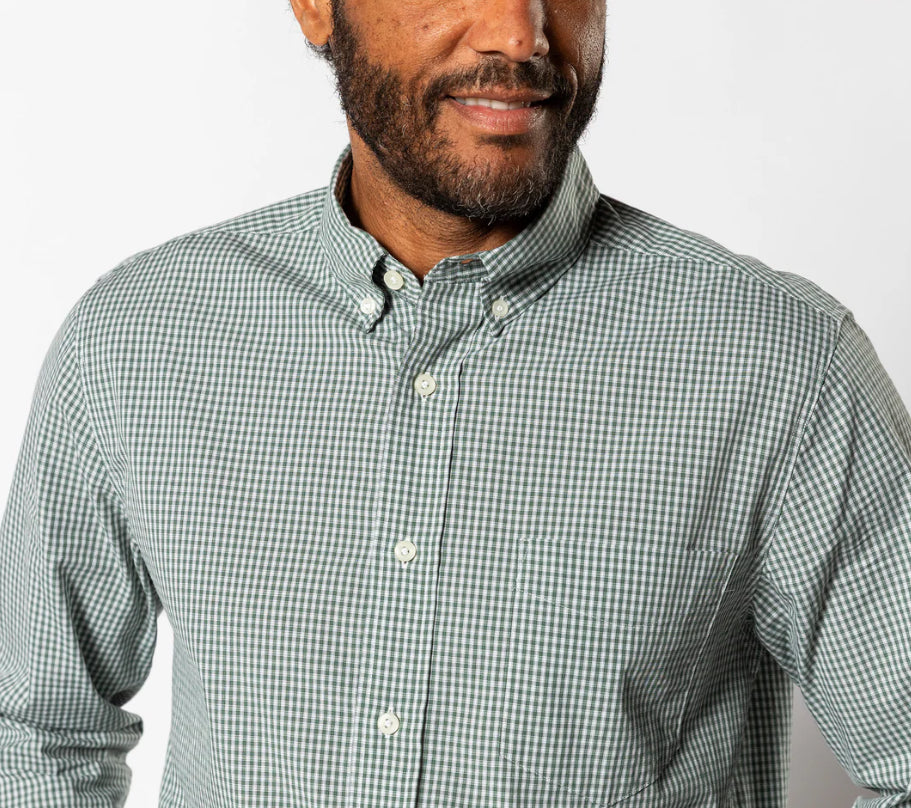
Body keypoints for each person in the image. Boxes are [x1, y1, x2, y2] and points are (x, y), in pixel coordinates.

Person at [1, 0, 909, 805]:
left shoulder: (781, 363)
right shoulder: (139, 338)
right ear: (316, 7)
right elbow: (34, 734)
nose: (519, 32)